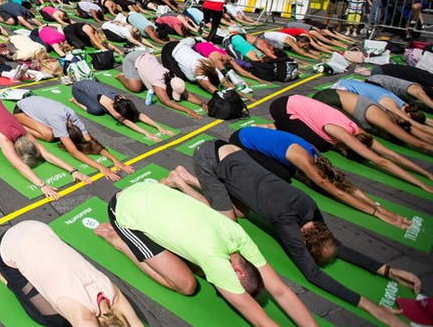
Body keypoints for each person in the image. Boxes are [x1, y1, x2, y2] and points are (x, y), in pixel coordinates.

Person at [160, 141, 416, 327]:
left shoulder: (308, 206)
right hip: (208, 158)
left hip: (230, 153)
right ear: (302, 240)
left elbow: (336, 245)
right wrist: (371, 307)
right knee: (228, 223)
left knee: (243, 212)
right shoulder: (287, 223)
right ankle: (180, 181)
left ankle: (186, 177)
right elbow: (312, 274)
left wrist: (387, 270)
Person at [95, 180, 318, 327]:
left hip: (149, 190)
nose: (224, 292)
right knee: (186, 284)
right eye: (229, 288)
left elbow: (281, 292)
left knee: (193, 264)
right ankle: (120, 241)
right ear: (238, 272)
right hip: (123, 207)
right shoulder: (214, 260)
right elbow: (261, 321)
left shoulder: (237, 234)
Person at [229, 126, 411, 229]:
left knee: (289, 172)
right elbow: (339, 193)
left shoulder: (317, 157)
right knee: (282, 177)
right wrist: (377, 215)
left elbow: (343, 185)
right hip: (240, 141)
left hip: (257, 136)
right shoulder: (307, 162)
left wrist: (379, 207)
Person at [0, 220, 144, 327]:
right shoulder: (82, 315)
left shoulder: (112, 294)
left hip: (35, 228)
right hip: (7, 250)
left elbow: (136, 323)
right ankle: (4, 276)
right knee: (51, 318)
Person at [267, 94, 433, 194]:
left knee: (322, 140)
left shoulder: (358, 132)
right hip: (282, 107)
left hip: (298, 103)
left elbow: (388, 155)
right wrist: (422, 185)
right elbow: (380, 161)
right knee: (321, 144)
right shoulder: (338, 132)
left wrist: (426, 176)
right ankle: (273, 126)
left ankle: (276, 126)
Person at [0, 95, 91, 200]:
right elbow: (19, 165)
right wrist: (42, 185)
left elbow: (47, 155)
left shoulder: (25, 134)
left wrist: (73, 170)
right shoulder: (5, 140)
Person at [12, 96, 132, 181]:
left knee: (53, 132)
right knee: (49, 135)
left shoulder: (74, 118)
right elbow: (74, 152)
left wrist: (115, 160)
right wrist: (101, 167)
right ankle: (18, 125)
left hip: (35, 104)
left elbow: (90, 140)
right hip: (21, 110)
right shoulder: (58, 121)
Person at [311, 88, 433, 154]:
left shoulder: (387, 119)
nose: (384, 136)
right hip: (329, 97)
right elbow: (419, 143)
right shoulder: (384, 121)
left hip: (338, 97)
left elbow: (418, 140)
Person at [70, 79, 174, 143]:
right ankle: (76, 101)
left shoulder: (122, 100)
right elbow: (126, 121)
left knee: (102, 108)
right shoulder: (109, 104)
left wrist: (160, 128)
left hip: (90, 85)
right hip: (78, 90)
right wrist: (147, 133)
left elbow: (138, 115)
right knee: (97, 110)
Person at [116, 49, 205, 119]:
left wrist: (202, 103)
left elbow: (187, 94)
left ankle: (139, 75)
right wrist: (187, 110)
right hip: (132, 59)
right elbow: (166, 101)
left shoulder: (174, 78)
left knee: (144, 82)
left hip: (147, 56)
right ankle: (121, 77)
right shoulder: (159, 82)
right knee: (135, 88)